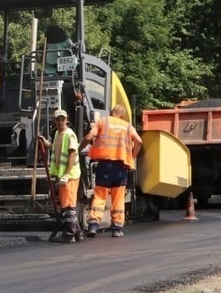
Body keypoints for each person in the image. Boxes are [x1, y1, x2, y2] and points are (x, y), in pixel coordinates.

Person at [81, 104, 143, 238]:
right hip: (121, 166)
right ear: (122, 115)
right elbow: (139, 141)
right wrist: (132, 157)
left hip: (104, 165)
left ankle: (93, 225)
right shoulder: (127, 126)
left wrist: (80, 147)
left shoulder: (103, 121)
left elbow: (89, 137)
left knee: (100, 195)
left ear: (111, 112)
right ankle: (116, 228)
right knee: (118, 197)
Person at [37, 109, 82, 242]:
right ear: (54, 121)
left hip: (70, 175)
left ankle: (69, 235)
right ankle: (78, 233)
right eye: (58, 119)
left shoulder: (70, 134)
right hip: (63, 175)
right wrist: (46, 143)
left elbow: (73, 154)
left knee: (68, 206)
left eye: (63, 119)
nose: (60, 121)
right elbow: (56, 148)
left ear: (66, 120)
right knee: (67, 204)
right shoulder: (57, 133)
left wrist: (67, 174)